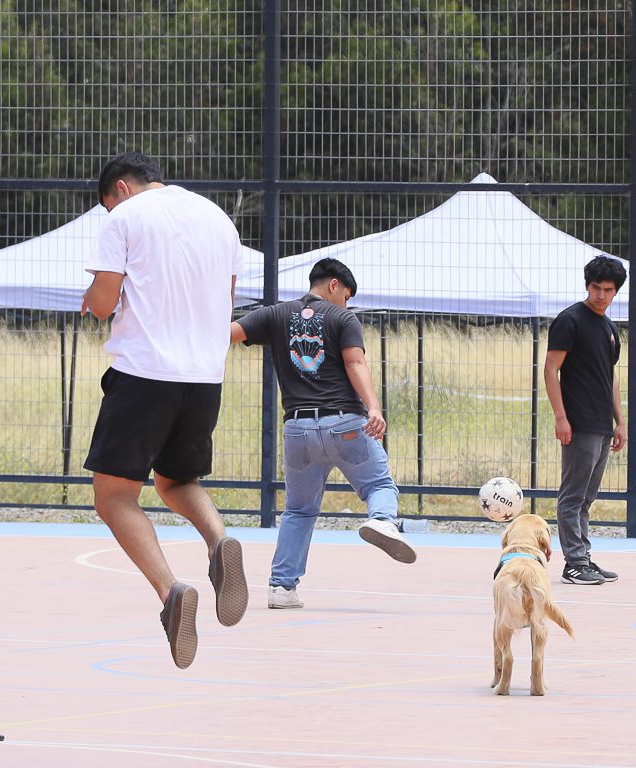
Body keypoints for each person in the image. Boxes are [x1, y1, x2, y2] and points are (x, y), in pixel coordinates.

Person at [80, 150, 247, 670]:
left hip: (145, 373)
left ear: (121, 190)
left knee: (114, 497)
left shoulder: (125, 218)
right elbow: (227, 299)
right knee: (176, 480)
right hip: (205, 376)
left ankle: (170, 590)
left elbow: (104, 302)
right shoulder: (218, 219)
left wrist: (90, 298)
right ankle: (219, 540)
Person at [230, 258, 416, 609]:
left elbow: (228, 334)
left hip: (297, 429)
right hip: (344, 424)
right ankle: (382, 521)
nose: (346, 303)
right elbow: (355, 362)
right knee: (378, 486)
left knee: (299, 511)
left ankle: (281, 588)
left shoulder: (275, 314)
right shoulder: (342, 318)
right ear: (333, 285)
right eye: (345, 295)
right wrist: (374, 407)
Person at [544, 255, 628, 586]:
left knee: (587, 498)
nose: (601, 295)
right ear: (587, 286)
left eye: (608, 290)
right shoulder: (570, 320)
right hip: (577, 422)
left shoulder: (609, 329)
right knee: (573, 496)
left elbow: (611, 377)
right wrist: (561, 417)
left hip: (601, 423)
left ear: (616, 291)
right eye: (596, 288)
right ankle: (574, 563)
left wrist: (620, 421)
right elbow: (551, 369)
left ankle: (583, 557)